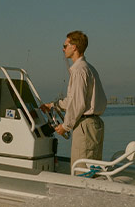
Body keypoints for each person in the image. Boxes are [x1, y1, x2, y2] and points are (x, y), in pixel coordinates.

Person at [41, 30, 107, 167]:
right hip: (94, 125)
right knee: (92, 168)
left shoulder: (78, 71)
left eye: (65, 46)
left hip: (85, 127)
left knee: (81, 170)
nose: (63, 49)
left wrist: (65, 127)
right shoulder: (89, 68)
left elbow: (78, 104)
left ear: (74, 47)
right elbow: (77, 100)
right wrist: (53, 105)